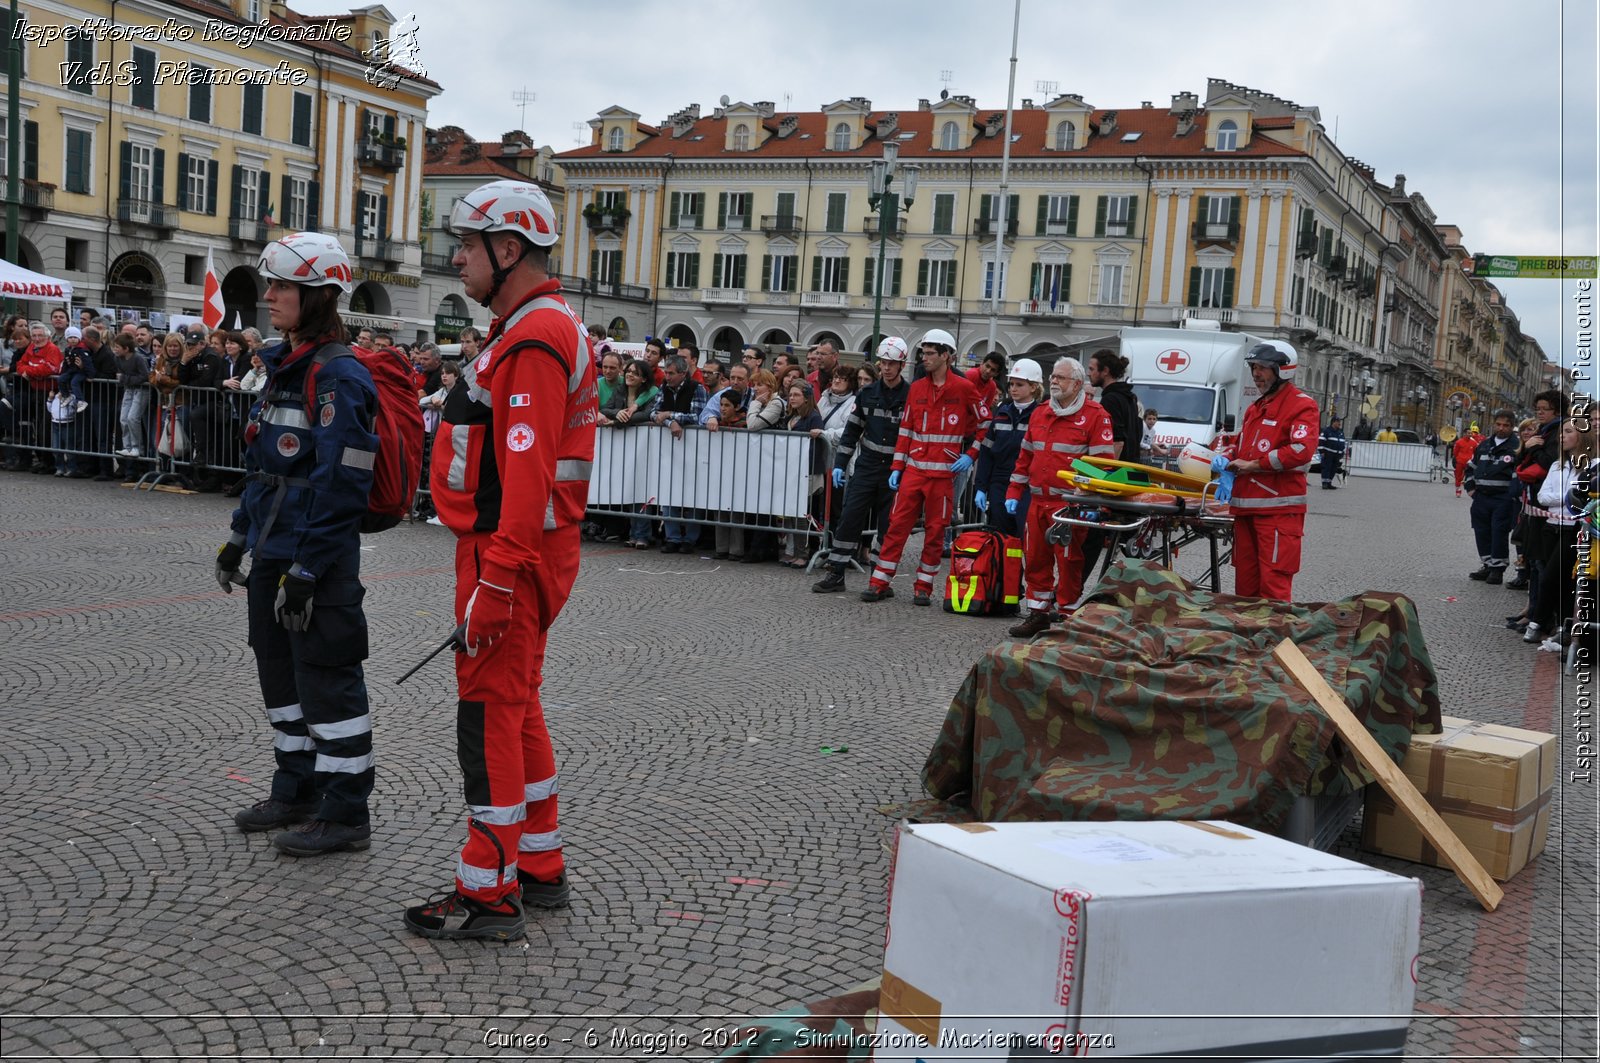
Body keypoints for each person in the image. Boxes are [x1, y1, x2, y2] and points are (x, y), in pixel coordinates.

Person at [406, 180, 597, 941]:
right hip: (520, 555)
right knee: (518, 703)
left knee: (488, 711)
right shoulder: (537, 326)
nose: (456, 258)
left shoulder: (533, 337)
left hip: (507, 557)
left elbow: (526, 475)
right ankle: (541, 863)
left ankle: (487, 890)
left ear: (507, 249)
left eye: (466, 244)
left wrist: (494, 581)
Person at [215, 231, 379, 860]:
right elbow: (266, 470)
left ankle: (345, 812)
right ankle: (296, 789)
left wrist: (309, 568)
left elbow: (345, 482)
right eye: (272, 284)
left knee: (329, 684)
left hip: (317, 560)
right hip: (272, 552)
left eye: (283, 285)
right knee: (279, 676)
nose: (271, 295)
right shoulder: (284, 366)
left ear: (316, 296)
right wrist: (238, 539)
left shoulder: (338, 374)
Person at [860, 329, 988, 606]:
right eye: (923, 352)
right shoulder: (916, 387)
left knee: (935, 532)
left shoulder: (965, 388)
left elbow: (985, 425)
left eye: (930, 353)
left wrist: (972, 455)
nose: (924, 358)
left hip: (943, 476)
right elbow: (906, 429)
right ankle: (878, 582)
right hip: (914, 472)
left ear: (947, 356)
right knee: (896, 528)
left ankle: (924, 588)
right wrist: (898, 466)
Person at [1004, 358, 1116, 637]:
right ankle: (1039, 614)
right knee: (1036, 560)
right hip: (1038, 501)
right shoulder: (1040, 413)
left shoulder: (1095, 414)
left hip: (1070, 504)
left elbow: (1103, 462)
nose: (1053, 381)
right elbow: (1025, 456)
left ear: (1077, 384)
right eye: (1053, 376)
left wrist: (1086, 492)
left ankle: (1067, 616)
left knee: (1069, 563)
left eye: (1061, 378)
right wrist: (1014, 491)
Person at [1223, 340, 1320, 601]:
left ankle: (1274, 641)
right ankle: (1247, 639)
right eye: (1254, 366)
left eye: (1263, 367)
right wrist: (1222, 457)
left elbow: (1301, 450)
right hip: (1246, 511)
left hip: (1277, 512)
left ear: (1283, 370)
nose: (1256, 373)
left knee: (1273, 588)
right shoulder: (1256, 408)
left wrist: (1255, 465)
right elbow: (1243, 447)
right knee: (1245, 589)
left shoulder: (1302, 405)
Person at [812, 338, 911, 592]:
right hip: (866, 467)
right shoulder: (867, 394)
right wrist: (840, 464)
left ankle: (881, 580)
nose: (886, 368)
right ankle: (836, 574)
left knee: (888, 527)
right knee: (849, 519)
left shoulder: (911, 396)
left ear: (901, 365)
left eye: (891, 363)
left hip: (895, 471)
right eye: (883, 363)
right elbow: (852, 432)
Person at [1522, 416, 1594, 651]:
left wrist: (1564, 499)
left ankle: (1538, 621)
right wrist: (1564, 498)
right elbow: (1543, 497)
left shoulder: (1592, 466)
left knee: (1552, 576)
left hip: (1572, 530)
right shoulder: (1557, 465)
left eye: (1568, 432)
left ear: (1581, 436)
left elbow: (1581, 501)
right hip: (1549, 526)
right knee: (1555, 577)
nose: (1561, 436)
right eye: (1562, 431)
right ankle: (1560, 624)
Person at [974, 358, 1043, 538]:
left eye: (1019, 384)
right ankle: (1005, 567)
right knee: (1000, 535)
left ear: (1034, 387)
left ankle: (1020, 567)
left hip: (1026, 484)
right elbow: (987, 452)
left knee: (1023, 534)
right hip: (999, 481)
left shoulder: (1040, 416)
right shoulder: (1002, 413)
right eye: (1011, 384)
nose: (1013, 388)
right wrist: (981, 487)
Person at [651, 353, 708, 554]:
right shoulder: (663, 387)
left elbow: (697, 416)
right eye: (666, 372)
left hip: (693, 449)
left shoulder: (697, 388)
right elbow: (654, 412)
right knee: (669, 492)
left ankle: (690, 539)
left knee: (693, 494)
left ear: (683, 373)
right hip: (670, 449)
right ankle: (672, 537)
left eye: (671, 373)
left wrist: (669, 415)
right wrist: (670, 421)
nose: (667, 377)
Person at [602, 358, 659, 550]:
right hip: (624, 449)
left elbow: (648, 415)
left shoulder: (651, 393)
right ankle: (634, 533)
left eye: (635, 373)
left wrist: (621, 421)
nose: (629, 375)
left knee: (642, 490)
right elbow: (606, 408)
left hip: (644, 447)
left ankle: (643, 534)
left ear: (643, 379)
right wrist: (618, 413)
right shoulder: (620, 391)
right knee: (629, 489)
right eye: (628, 371)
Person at [1464, 410, 1522, 585]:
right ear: (1493, 424)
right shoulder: (1484, 444)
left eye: (1506, 425)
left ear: (1512, 427)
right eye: (1498, 424)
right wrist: (1470, 488)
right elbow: (1471, 467)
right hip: (1481, 497)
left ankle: (1497, 569)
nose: (1501, 428)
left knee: (1499, 532)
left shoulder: (1516, 446)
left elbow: (1518, 473)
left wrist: (1513, 495)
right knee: (1481, 531)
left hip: (1503, 499)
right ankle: (1487, 565)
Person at [178, 327, 229, 492]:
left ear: (202, 343)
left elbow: (205, 382)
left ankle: (204, 459)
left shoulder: (210, 357)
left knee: (198, 420)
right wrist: (184, 363)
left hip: (213, 402)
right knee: (199, 429)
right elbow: (182, 379)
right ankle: (200, 467)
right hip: (198, 401)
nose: (191, 347)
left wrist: (190, 385)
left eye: (194, 344)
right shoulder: (191, 357)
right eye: (189, 344)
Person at [113, 332, 152, 461]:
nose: (115, 350)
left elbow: (145, 376)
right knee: (123, 418)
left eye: (117, 347)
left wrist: (125, 378)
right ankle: (127, 446)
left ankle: (137, 447)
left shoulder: (138, 358)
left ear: (126, 348)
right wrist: (124, 380)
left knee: (133, 418)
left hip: (141, 390)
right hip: (129, 389)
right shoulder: (117, 358)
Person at [1317, 416, 1347, 489]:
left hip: (1337, 454)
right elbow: (1321, 441)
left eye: (1340, 422)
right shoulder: (1326, 431)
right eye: (1338, 422)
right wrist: (1322, 451)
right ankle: (1324, 483)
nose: (1339, 423)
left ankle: (1329, 482)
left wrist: (1342, 452)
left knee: (1333, 469)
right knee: (1326, 468)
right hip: (1328, 453)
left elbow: (1343, 442)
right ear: (1333, 422)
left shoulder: (1340, 432)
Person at [1452, 423, 1482, 497]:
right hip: (1460, 462)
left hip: (1469, 463)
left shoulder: (1473, 443)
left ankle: (1472, 489)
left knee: (1471, 475)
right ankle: (1458, 490)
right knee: (1458, 476)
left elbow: (1476, 452)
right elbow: (1455, 452)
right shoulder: (1459, 442)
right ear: (1464, 433)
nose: (1470, 434)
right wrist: (1458, 459)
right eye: (1468, 433)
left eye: (1471, 433)